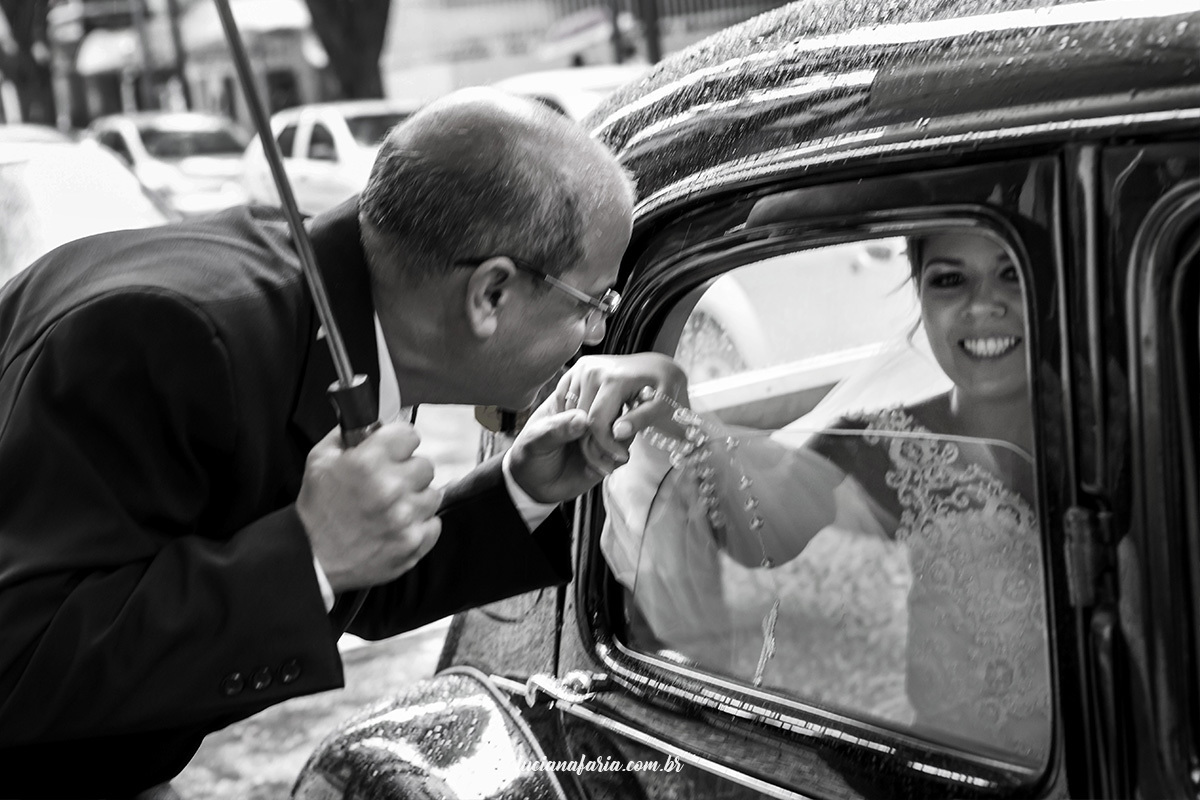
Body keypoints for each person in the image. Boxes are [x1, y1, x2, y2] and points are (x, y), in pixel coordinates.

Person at [0, 88, 684, 798]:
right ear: (489, 296)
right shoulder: (167, 339)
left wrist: (521, 491)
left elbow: (360, 577)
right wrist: (310, 553)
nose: (598, 336)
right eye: (593, 304)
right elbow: (15, 656)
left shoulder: (359, 308)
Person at [597, 228, 1051, 764]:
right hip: (974, 773)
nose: (984, 305)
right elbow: (756, 520)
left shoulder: (1130, 411)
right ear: (919, 296)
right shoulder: (879, 448)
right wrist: (664, 407)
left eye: (1011, 273)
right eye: (950, 280)